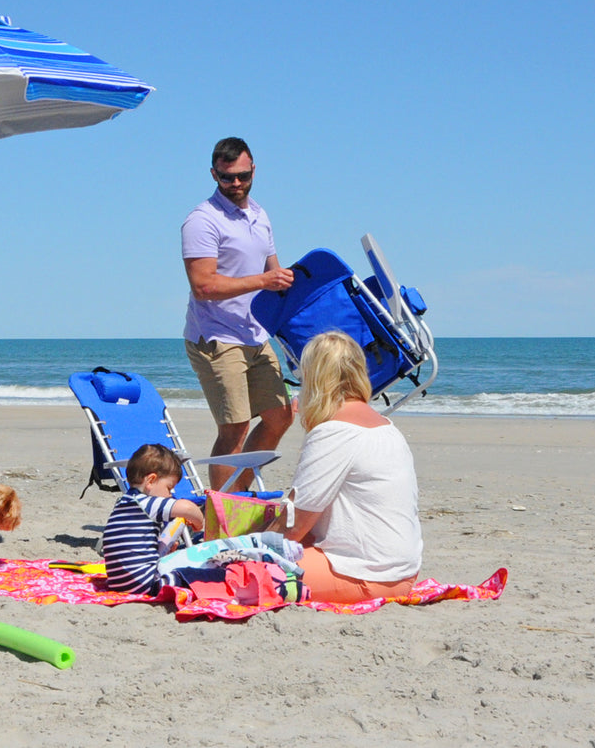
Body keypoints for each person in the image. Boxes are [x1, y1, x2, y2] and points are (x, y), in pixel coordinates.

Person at [181, 136, 295, 489]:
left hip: (255, 334)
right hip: (216, 337)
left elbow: (276, 278)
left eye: (243, 176)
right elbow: (203, 285)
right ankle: (222, 519)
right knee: (234, 428)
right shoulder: (202, 220)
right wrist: (263, 279)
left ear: (253, 170)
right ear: (213, 174)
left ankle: (236, 495)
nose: (235, 184)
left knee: (281, 416)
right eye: (227, 177)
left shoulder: (260, 215)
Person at [284, 330, 422, 603]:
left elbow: (295, 527)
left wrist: (251, 543)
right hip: (403, 570)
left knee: (240, 569)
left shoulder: (334, 432)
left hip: (365, 573)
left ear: (315, 379)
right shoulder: (386, 427)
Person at [100, 444, 206, 595]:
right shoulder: (148, 503)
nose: (170, 495)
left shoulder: (123, 503)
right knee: (194, 574)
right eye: (169, 488)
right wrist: (199, 523)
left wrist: (162, 550)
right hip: (146, 582)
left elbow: (135, 548)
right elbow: (188, 508)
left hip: (118, 582)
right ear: (151, 481)